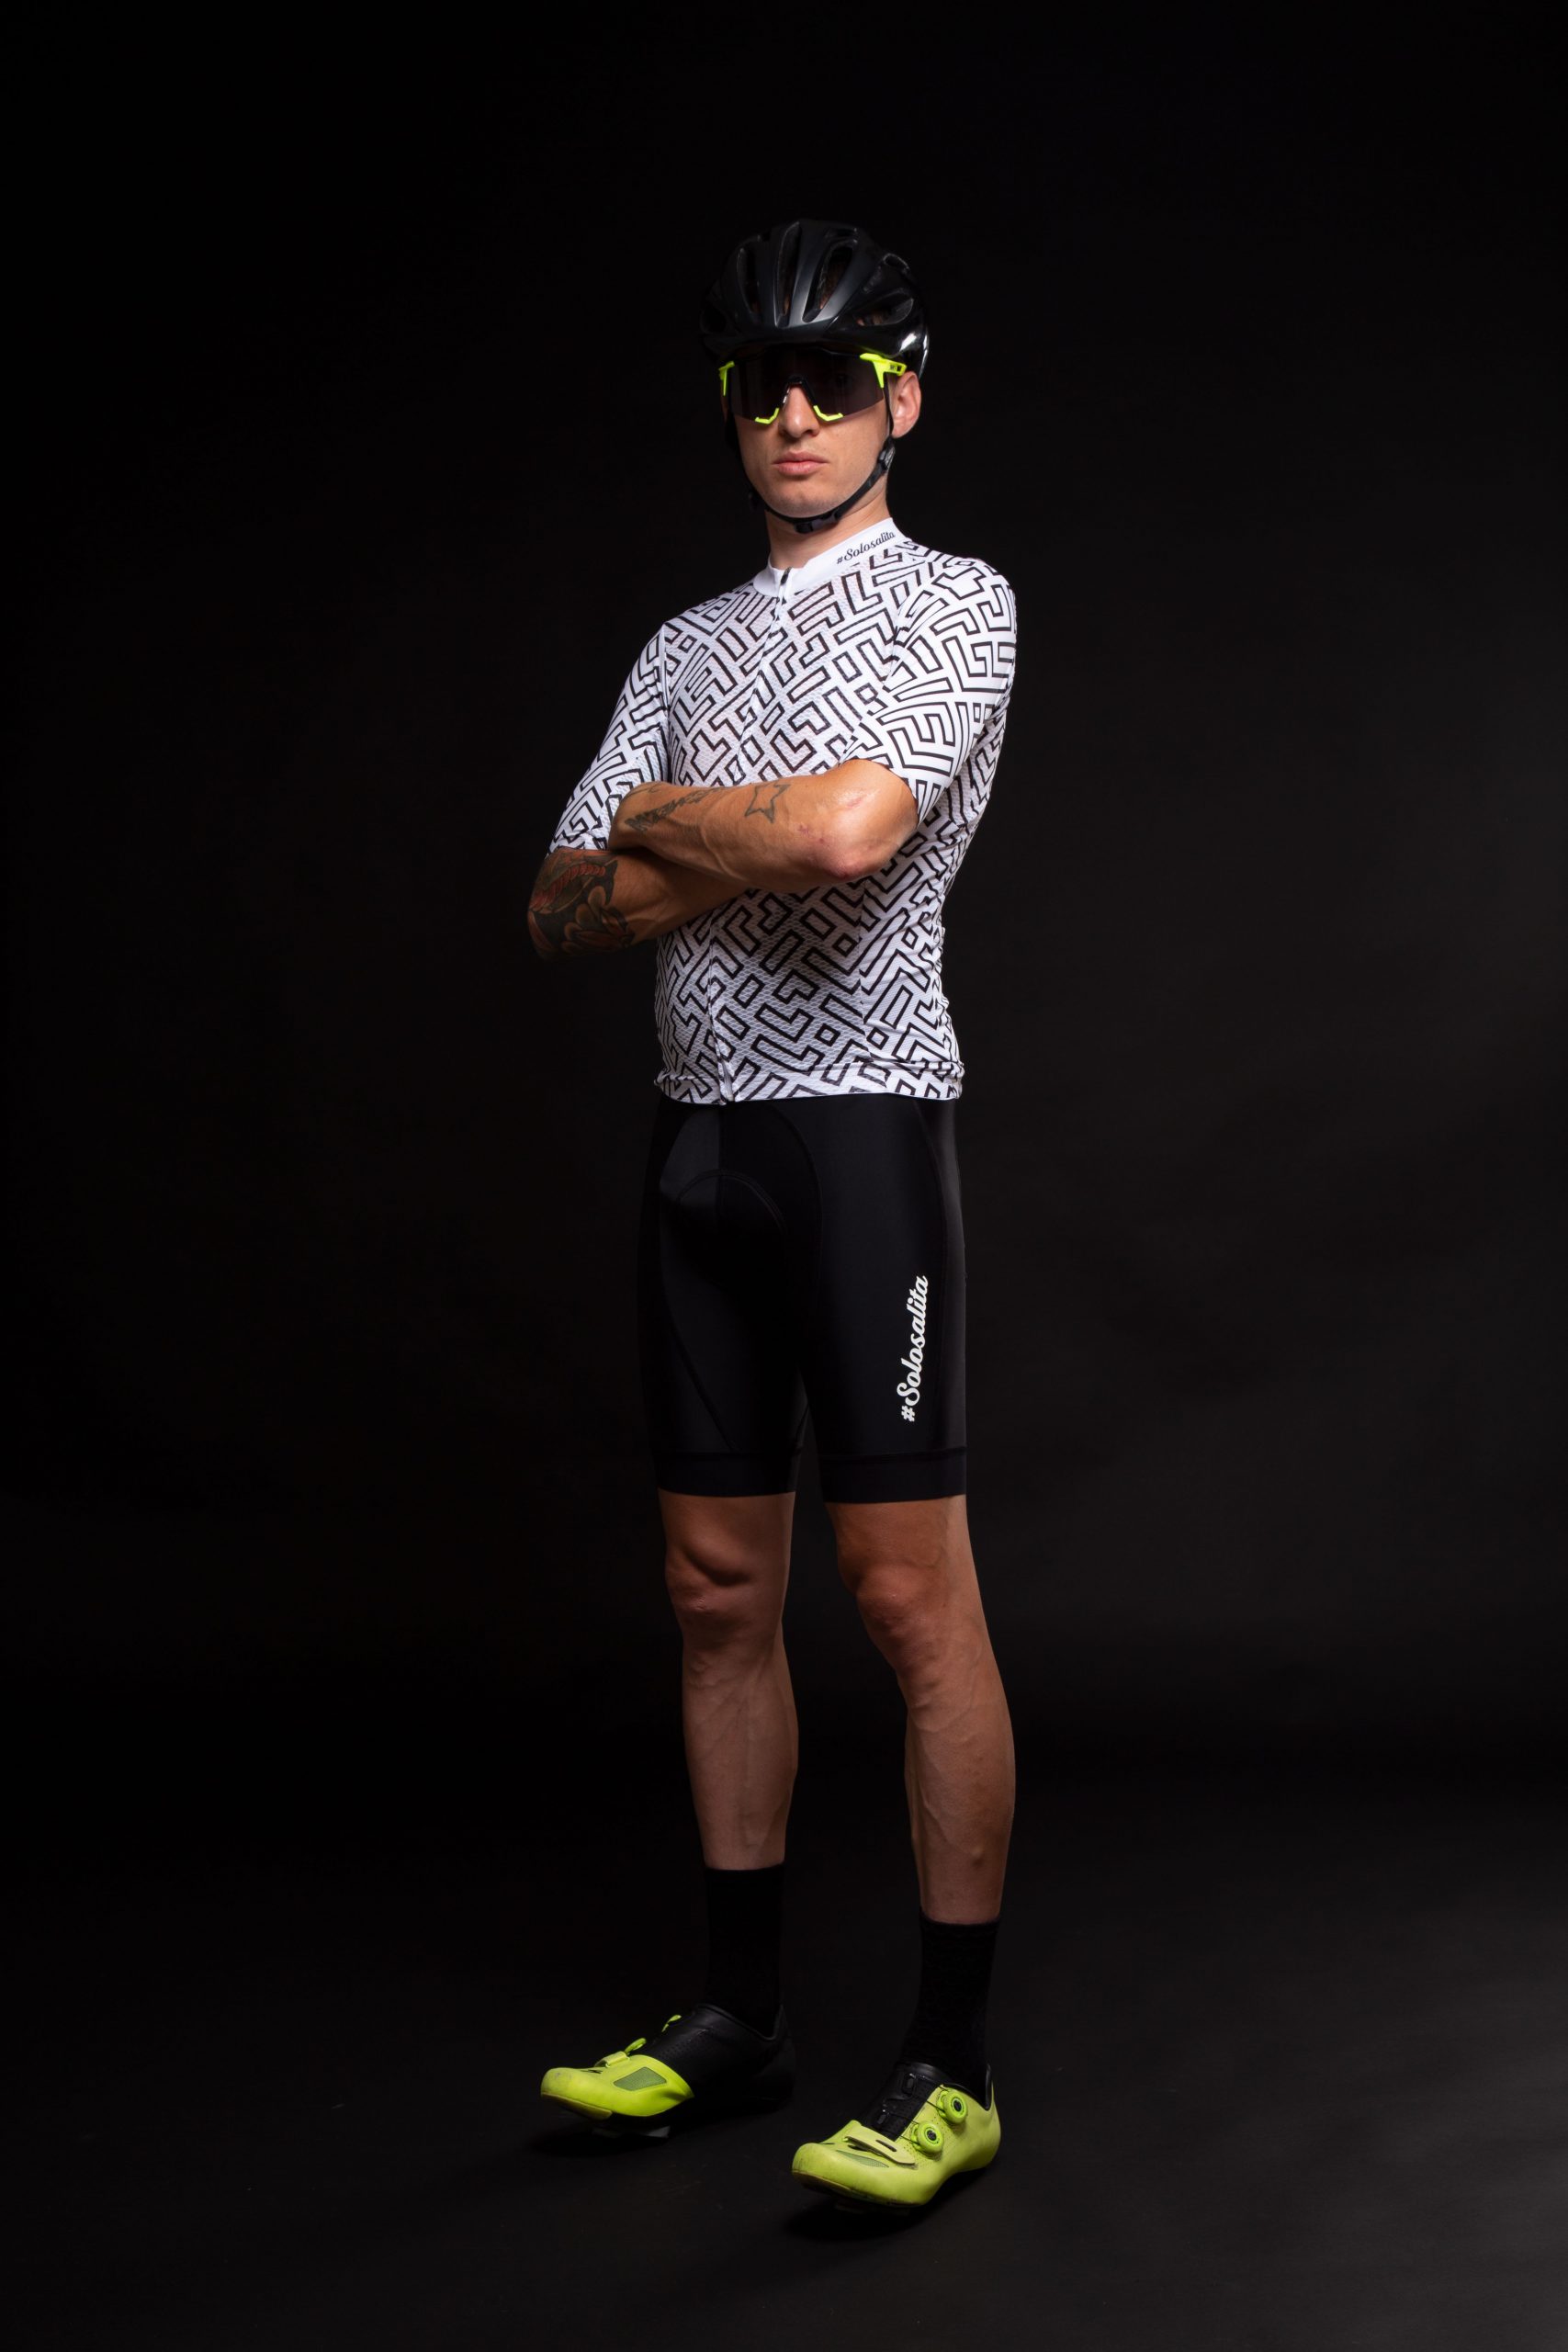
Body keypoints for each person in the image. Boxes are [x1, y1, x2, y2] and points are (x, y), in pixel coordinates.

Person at [530, 219, 1018, 2213]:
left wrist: (665, 824)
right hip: (697, 1145)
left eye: (835, 380)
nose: (796, 412)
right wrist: (719, 834)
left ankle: (950, 2064)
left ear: (904, 398)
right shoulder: (679, 649)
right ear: (731, 409)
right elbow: (557, 905)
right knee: (714, 1589)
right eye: (761, 383)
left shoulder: (956, 603)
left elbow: (849, 830)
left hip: (862, 1141)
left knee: (905, 1603)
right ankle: (739, 2018)